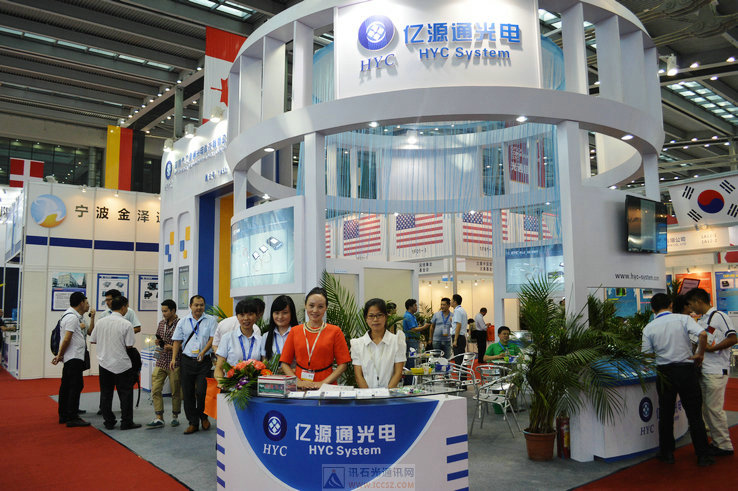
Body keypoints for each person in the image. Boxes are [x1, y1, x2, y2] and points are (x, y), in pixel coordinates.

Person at [641, 293, 713, 466]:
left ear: (652, 309)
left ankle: (667, 453)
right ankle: (703, 455)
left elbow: (646, 355)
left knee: (665, 414)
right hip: (686, 370)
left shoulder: (649, 328)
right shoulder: (683, 319)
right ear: (671, 305)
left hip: (664, 373)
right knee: (694, 414)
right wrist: (700, 354)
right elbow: (703, 335)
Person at [685, 287, 737, 457]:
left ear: (698, 301)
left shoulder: (719, 316)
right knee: (707, 410)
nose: (691, 308)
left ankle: (724, 445)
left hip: (716, 370)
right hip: (704, 370)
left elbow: (733, 338)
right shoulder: (702, 320)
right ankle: (717, 442)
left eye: (691, 304)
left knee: (714, 409)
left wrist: (712, 349)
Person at [280, 287, 351, 389]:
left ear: (326, 308)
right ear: (305, 306)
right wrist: (298, 382)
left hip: (327, 385)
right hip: (300, 386)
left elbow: (343, 364)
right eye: (311, 306)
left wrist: (323, 383)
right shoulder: (295, 331)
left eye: (320, 306)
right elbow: (284, 363)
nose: (315, 310)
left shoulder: (335, 331)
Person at [90, 296, 140, 430]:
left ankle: (109, 421)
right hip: (122, 364)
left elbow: (93, 340)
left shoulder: (101, 322)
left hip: (104, 363)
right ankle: (126, 422)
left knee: (106, 394)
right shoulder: (126, 324)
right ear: (123, 307)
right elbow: (129, 345)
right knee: (126, 394)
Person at [171, 295, 218, 435]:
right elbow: (177, 341)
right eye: (196, 305)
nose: (199, 307)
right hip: (187, 361)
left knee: (202, 392)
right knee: (188, 393)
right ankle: (193, 422)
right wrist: (173, 359)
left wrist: (203, 352)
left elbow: (212, 339)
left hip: (204, 361)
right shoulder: (183, 321)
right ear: (190, 306)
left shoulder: (211, 320)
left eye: (201, 305)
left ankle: (203, 417)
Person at [52, 292, 92, 427]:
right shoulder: (72, 318)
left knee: (67, 386)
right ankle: (71, 416)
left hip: (72, 357)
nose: (87, 305)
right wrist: (59, 355)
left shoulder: (71, 316)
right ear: (81, 302)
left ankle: (64, 414)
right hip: (73, 357)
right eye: (86, 302)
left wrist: (61, 355)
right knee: (75, 386)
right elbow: (67, 338)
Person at [351, 298, 406, 389]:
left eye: (379, 315)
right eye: (371, 316)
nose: (375, 319)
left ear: (386, 317)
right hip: (366, 395)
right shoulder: (358, 344)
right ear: (366, 318)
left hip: (390, 394)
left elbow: (398, 373)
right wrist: (368, 395)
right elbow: (358, 376)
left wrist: (386, 394)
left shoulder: (396, 341)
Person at [147, 299, 181, 429]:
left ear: (173, 310)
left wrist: (173, 348)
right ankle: (159, 417)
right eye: (162, 311)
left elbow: (186, 344)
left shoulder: (181, 324)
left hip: (175, 361)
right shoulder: (161, 324)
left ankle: (175, 416)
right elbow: (159, 339)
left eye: (165, 311)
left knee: (175, 390)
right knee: (155, 388)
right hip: (161, 360)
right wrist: (158, 344)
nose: (163, 313)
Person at [215, 299, 263, 382]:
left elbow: (264, 367)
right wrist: (221, 383)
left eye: (250, 314)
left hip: (253, 386)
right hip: (231, 386)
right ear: (237, 316)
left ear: (256, 316)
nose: (246, 318)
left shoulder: (261, 340)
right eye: (242, 315)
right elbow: (219, 368)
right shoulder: (227, 338)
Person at [261, 295, 299, 362]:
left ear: (292, 313)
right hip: (272, 369)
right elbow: (265, 362)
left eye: (285, 313)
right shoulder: (266, 336)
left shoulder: (299, 334)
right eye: (277, 313)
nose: (280, 317)